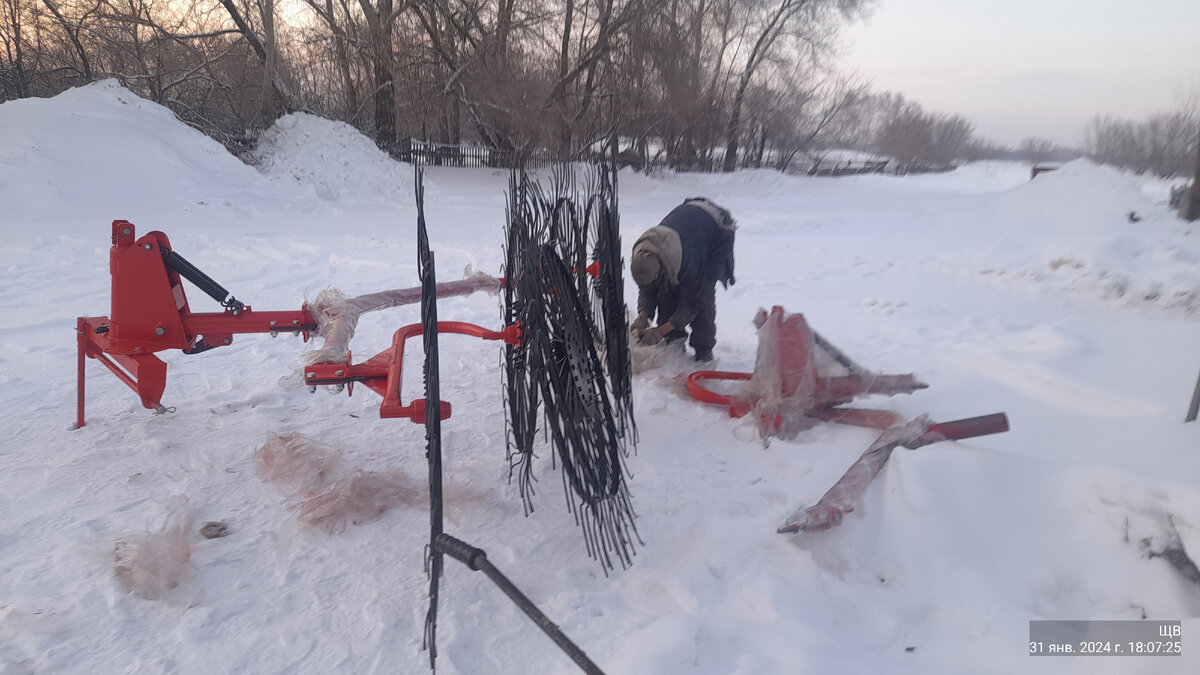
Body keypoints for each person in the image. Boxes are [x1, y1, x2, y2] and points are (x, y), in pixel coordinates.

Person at [629, 197, 736, 362]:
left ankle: (704, 352)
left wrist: (660, 331)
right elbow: (647, 288)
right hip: (686, 227)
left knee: (703, 301)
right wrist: (643, 315)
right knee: (667, 293)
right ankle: (674, 342)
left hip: (716, 229)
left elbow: (693, 303)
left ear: (662, 269)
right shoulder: (643, 254)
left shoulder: (689, 262)